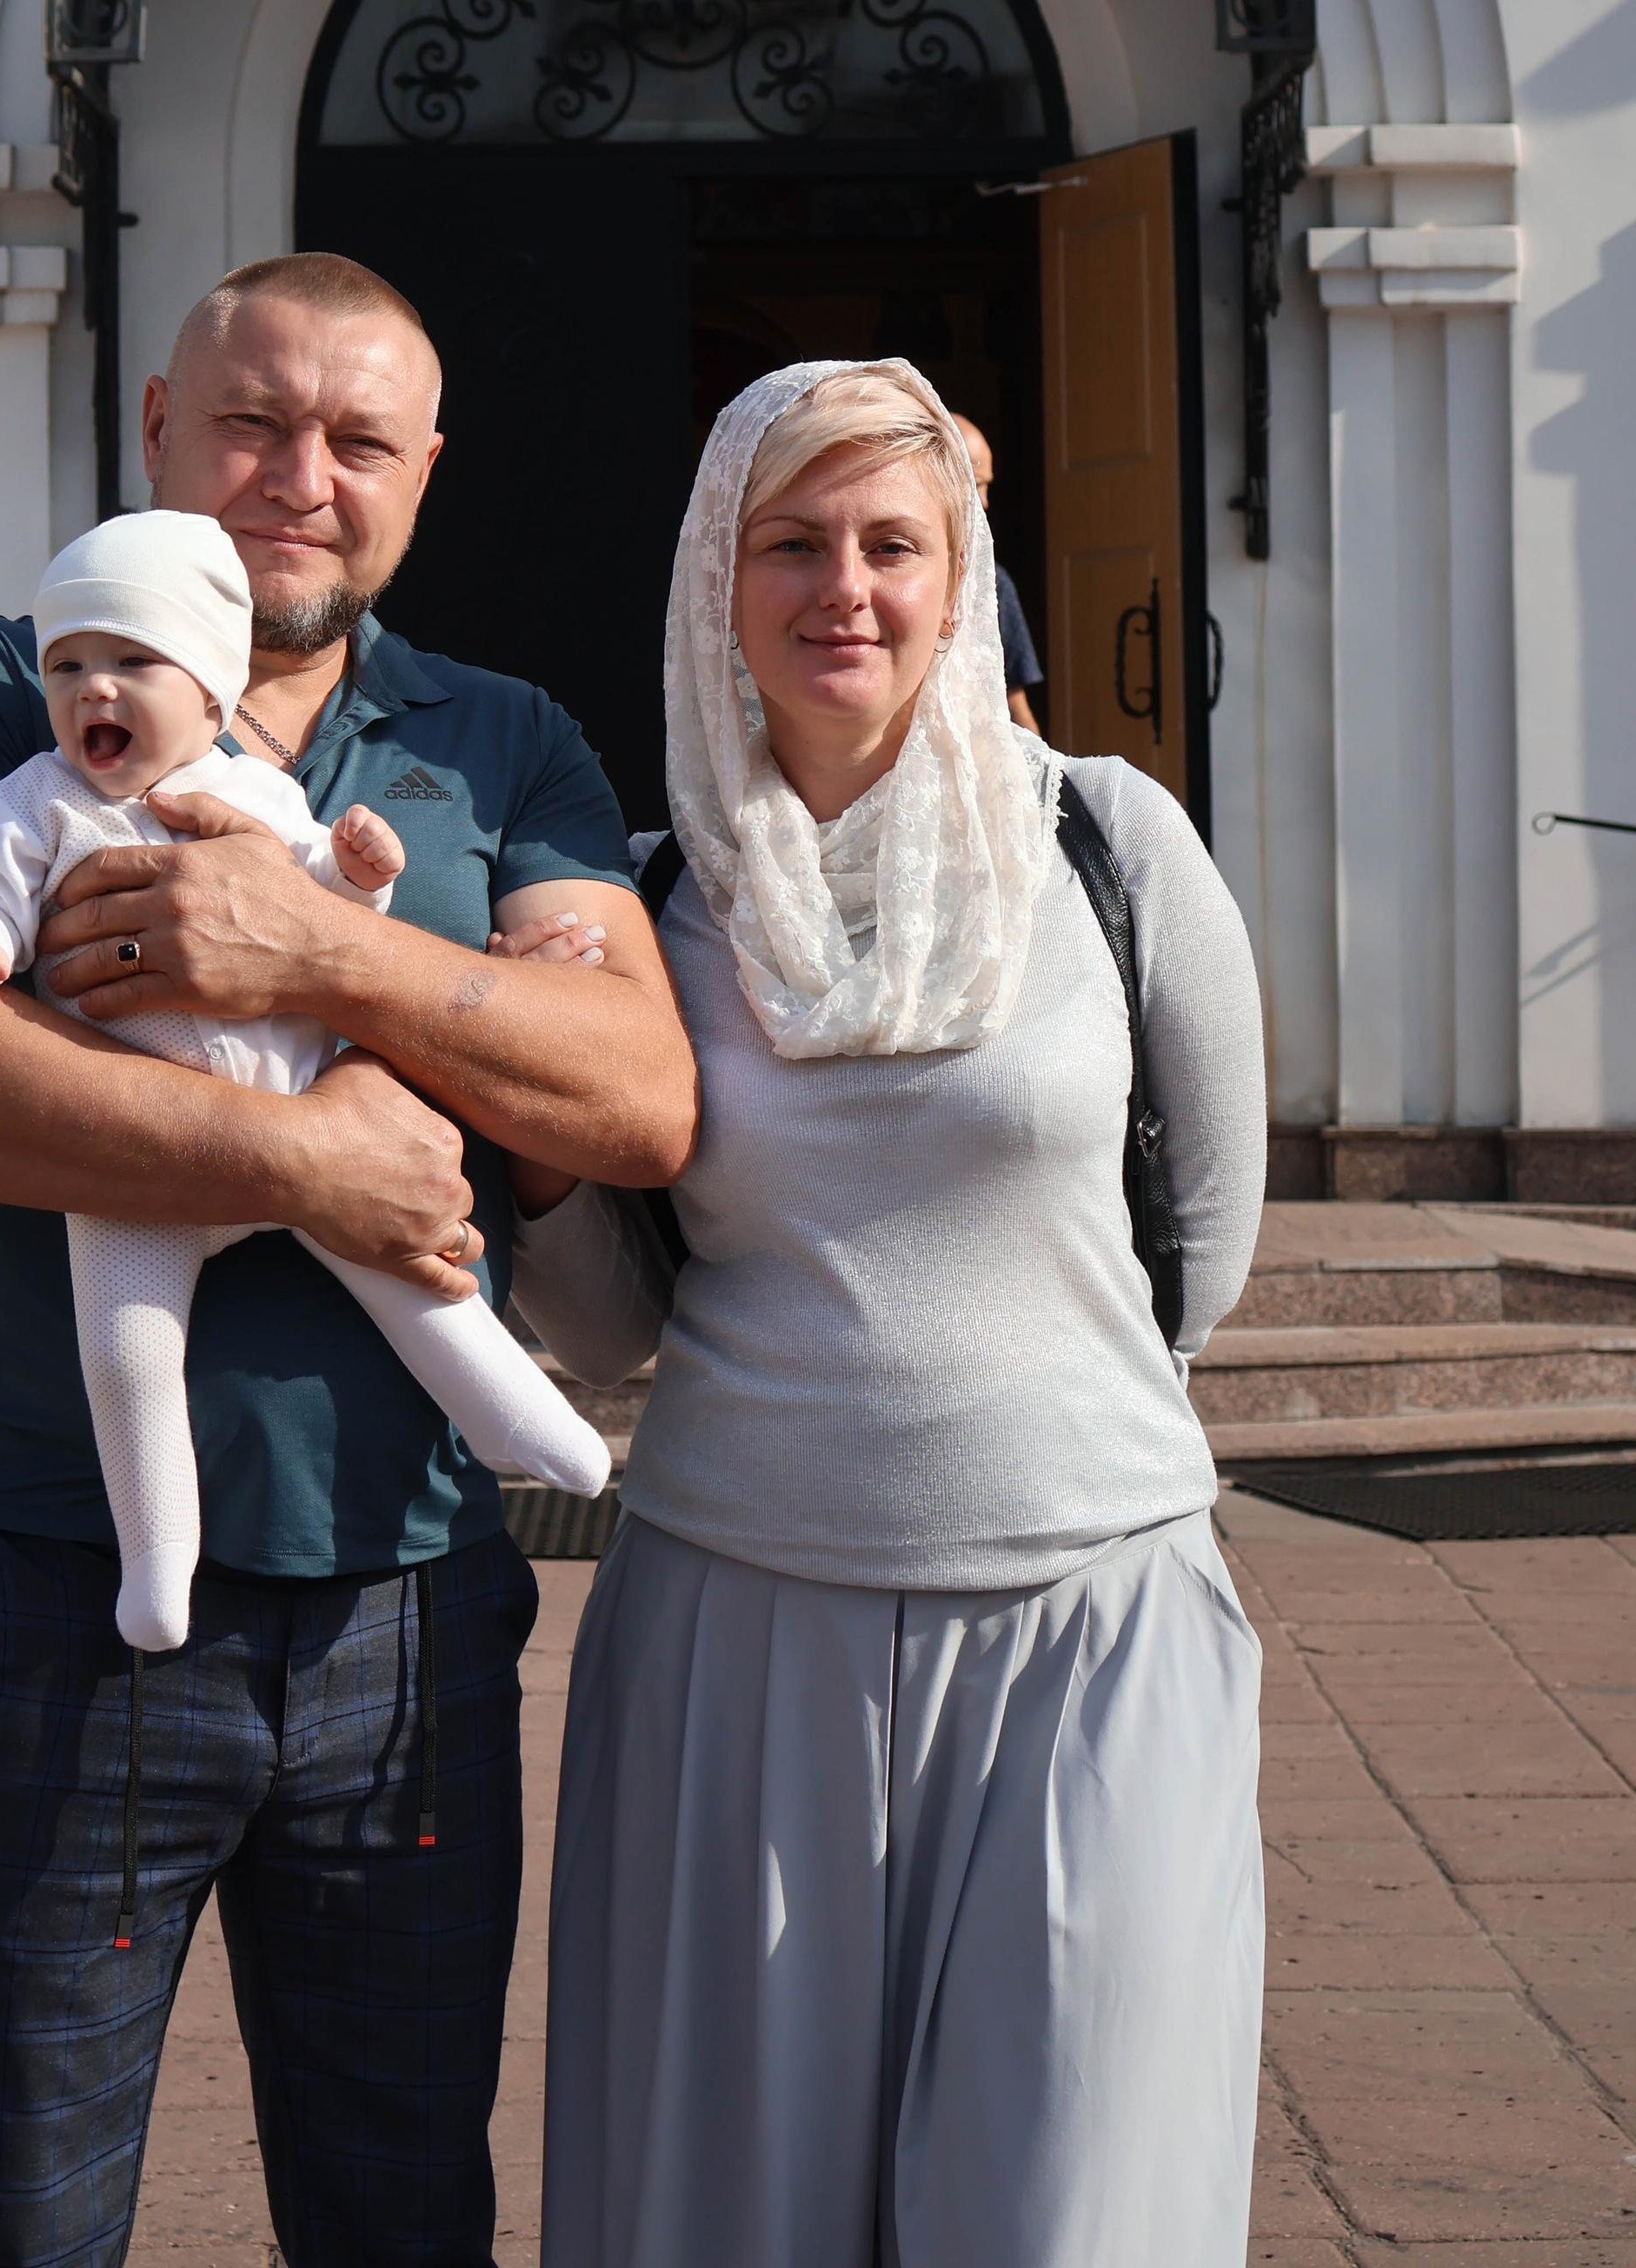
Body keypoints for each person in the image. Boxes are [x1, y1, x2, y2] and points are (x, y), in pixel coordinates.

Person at [0, 253, 696, 2268]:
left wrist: (320, 956)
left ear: (423, 470)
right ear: (158, 435)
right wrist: (301, 1152)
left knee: (399, 2214)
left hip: (409, 1619)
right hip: (53, 1596)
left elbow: (635, 1094)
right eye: (252, 420)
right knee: (16, 2211)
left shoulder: (498, 737)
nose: (300, 473)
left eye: (357, 437)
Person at [511, 358, 1267, 2268]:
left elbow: (1205, 1236)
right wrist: (515, 1126)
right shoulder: (638, 909)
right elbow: (601, 1335)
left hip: (1090, 1618)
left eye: (888, 543)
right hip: (735, 1636)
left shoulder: (1110, 845)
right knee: (731, 2224)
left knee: (1069, 2213)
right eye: (788, 543)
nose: (839, 587)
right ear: (715, 579)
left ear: (956, 574)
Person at [0, 505, 609, 1655]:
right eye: (70, 667)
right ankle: (158, 1567)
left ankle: (531, 1424)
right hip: (136, 1162)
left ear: (208, 692)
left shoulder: (250, 791)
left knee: (411, 1269)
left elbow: (325, 907)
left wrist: (361, 873)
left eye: (133, 662)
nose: (96, 691)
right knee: (128, 1350)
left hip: (304, 1110)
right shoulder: (34, 798)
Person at [954, 409, 1044, 731]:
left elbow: (1013, 702)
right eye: (976, 485)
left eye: (987, 486)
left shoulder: (991, 582)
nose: (986, 501)